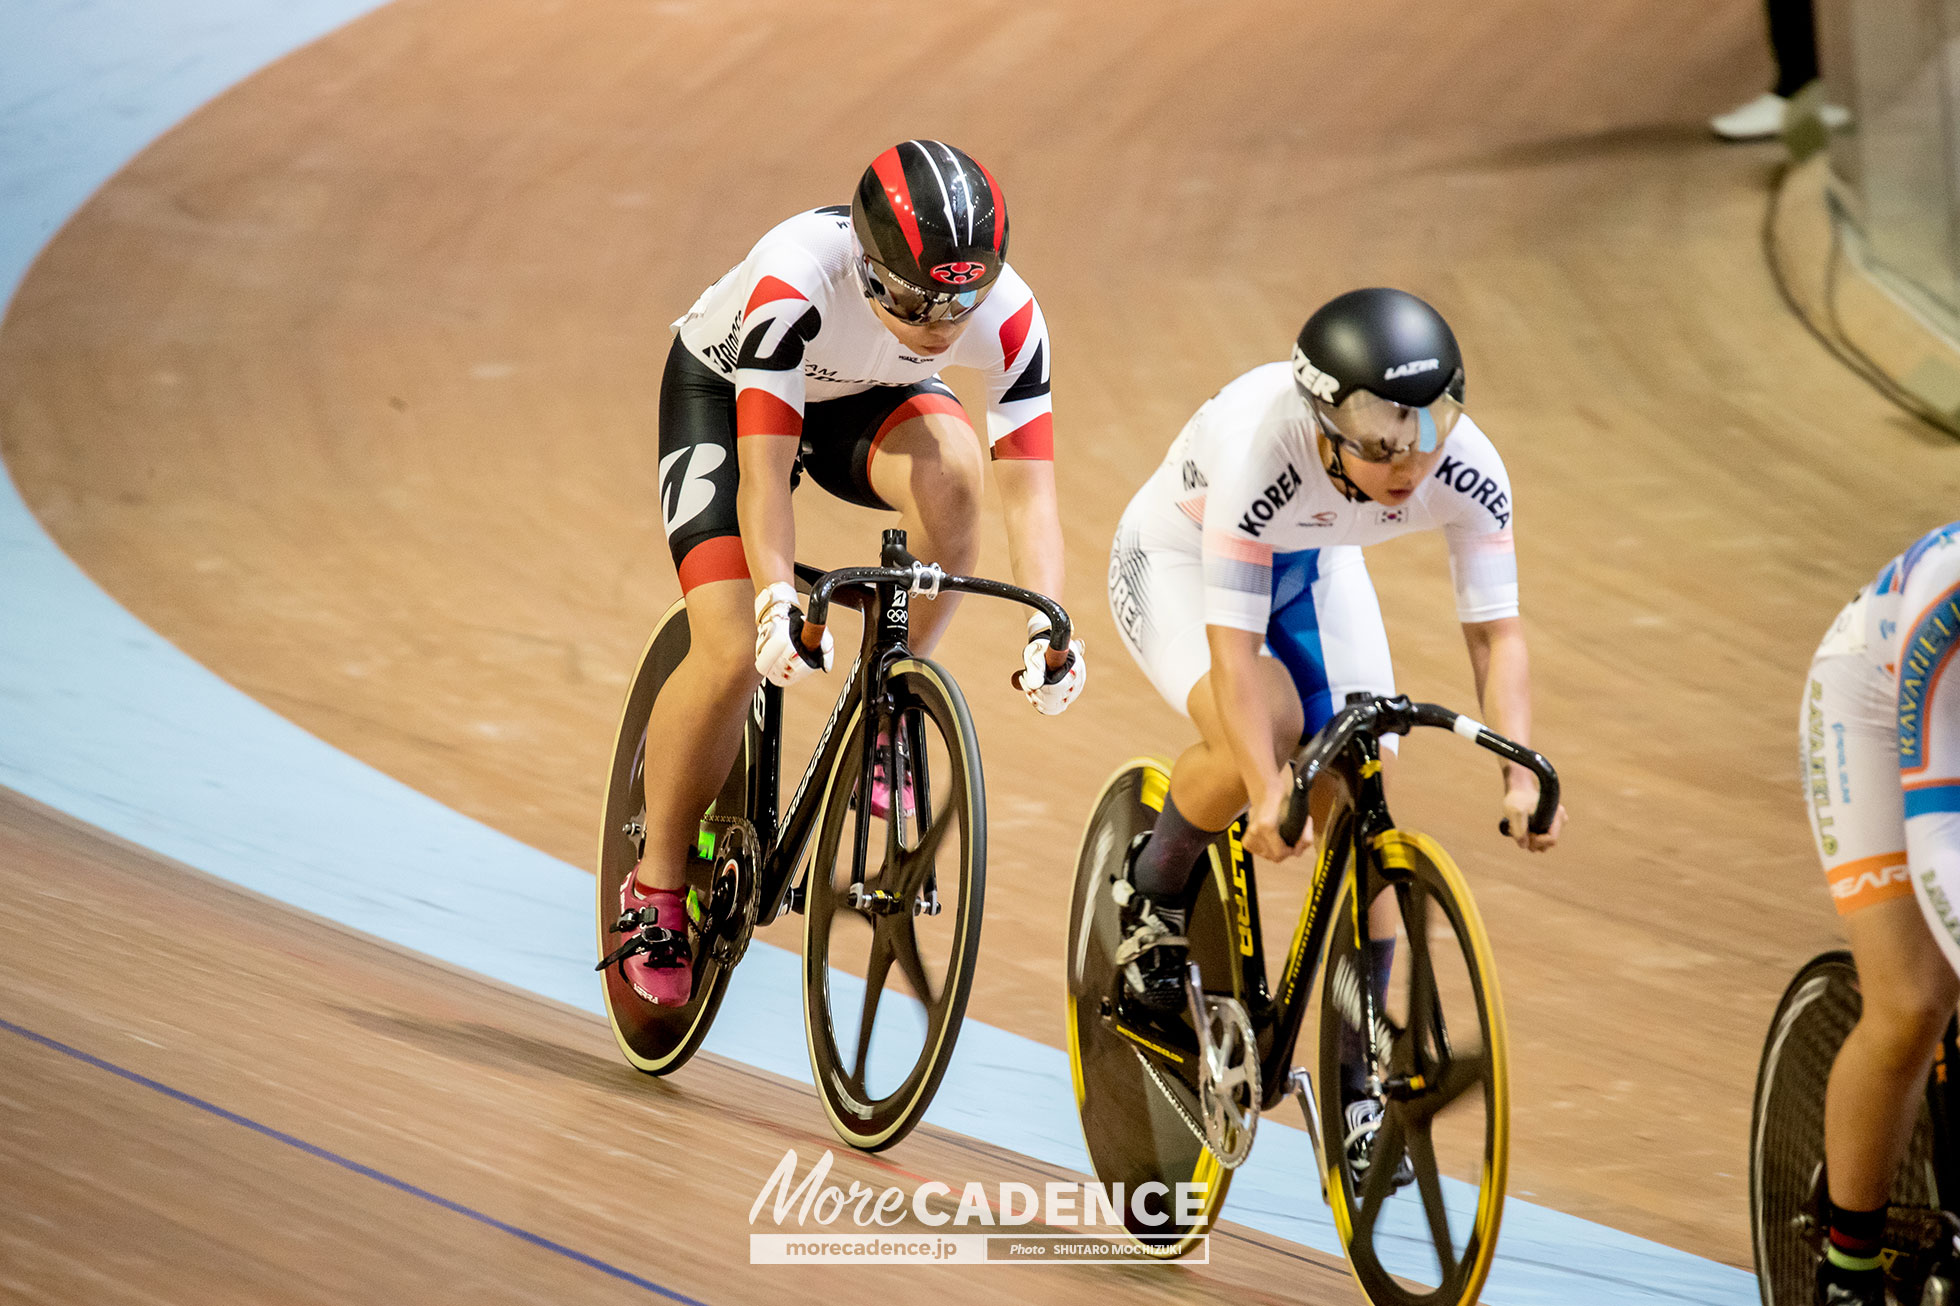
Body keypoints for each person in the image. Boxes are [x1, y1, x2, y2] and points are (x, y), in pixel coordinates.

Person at [608, 140, 1086, 1008]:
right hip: (731, 395)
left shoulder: (1013, 316)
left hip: (866, 402)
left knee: (957, 479)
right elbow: (765, 475)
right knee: (726, 648)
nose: (944, 326)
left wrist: (1051, 621)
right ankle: (657, 884)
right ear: (869, 271)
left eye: (961, 303)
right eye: (916, 302)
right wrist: (774, 601)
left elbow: (1031, 493)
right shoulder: (796, 278)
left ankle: (885, 704)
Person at [1105, 286, 1567, 1177]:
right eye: (1382, 440)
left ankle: (1360, 1082)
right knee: (1268, 727)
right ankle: (1152, 889)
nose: (1409, 462)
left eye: (1429, 429)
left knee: (1361, 785)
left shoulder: (1463, 463)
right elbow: (1235, 656)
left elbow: (1494, 630)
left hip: (1314, 557)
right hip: (1180, 560)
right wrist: (1270, 792)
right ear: (1323, 426)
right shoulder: (1262, 458)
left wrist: (1519, 771)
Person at [1800, 522, 1960, 1306]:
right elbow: (1938, 833)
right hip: (1875, 706)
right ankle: (1848, 1268)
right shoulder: (1950, 596)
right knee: (1914, 999)